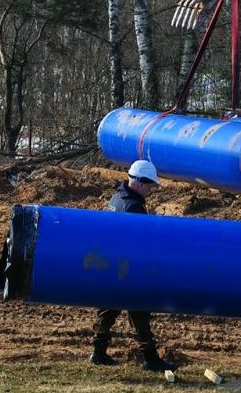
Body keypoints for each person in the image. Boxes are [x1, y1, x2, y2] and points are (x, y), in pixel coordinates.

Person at [89, 159, 178, 372]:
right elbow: (142, 242)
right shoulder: (134, 206)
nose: (150, 190)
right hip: (128, 269)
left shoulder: (116, 197)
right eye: (149, 186)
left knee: (108, 310)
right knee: (139, 312)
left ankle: (98, 352)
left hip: (113, 266)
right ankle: (149, 357)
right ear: (138, 182)